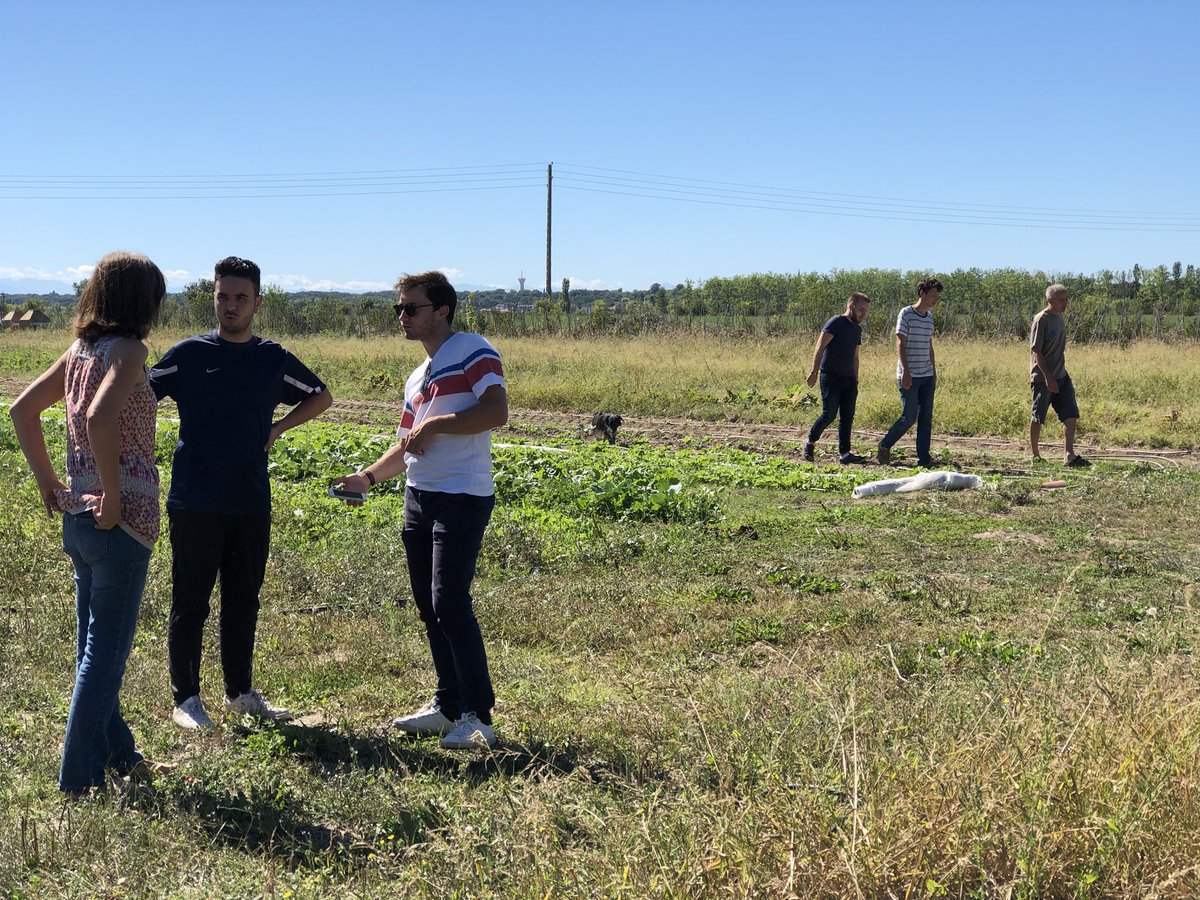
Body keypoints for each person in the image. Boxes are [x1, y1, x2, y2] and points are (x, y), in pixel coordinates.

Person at [9, 251, 171, 794]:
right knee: (104, 656)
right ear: (142, 302)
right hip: (120, 522)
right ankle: (78, 782)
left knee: (92, 648)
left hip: (79, 518)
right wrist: (116, 494)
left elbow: (21, 411)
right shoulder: (128, 350)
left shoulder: (80, 351)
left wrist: (48, 483)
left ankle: (121, 755)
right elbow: (102, 416)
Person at [150, 256, 332, 730]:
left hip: (250, 500)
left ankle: (239, 692)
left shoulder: (271, 359)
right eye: (223, 296)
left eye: (241, 298)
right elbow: (141, 395)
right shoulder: (188, 354)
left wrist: (278, 428)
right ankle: (186, 700)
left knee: (243, 600)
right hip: (194, 499)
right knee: (190, 601)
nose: (231, 306)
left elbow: (321, 395)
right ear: (212, 296)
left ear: (257, 302)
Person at [332, 270, 507, 750]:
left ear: (442, 310)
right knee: (430, 606)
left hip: (462, 494)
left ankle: (478, 715)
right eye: (399, 309)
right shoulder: (417, 376)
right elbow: (407, 444)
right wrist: (366, 477)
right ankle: (448, 705)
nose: (402, 317)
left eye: (411, 307)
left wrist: (437, 426)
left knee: (450, 600)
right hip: (419, 494)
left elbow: (496, 410)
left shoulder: (473, 349)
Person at [878, 277, 941, 467]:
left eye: (937, 296)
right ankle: (885, 445)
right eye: (932, 295)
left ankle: (924, 458)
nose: (935, 299)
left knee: (926, 418)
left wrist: (934, 370)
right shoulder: (906, 314)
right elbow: (900, 342)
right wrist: (905, 370)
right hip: (909, 375)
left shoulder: (929, 318)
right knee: (909, 416)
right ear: (922, 293)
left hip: (927, 375)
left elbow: (929, 345)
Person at [803, 292, 870, 464]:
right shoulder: (836, 322)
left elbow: (855, 356)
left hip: (848, 380)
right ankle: (810, 442)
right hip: (830, 376)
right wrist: (814, 372)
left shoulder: (857, 329)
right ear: (851, 306)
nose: (864, 314)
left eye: (866, 311)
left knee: (847, 417)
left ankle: (845, 453)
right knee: (829, 414)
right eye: (861, 309)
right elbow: (820, 347)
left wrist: (855, 379)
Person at [1030, 283, 1089, 466]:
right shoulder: (1042, 320)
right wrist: (1048, 378)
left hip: (1061, 375)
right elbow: (1036, 351)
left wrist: (1058, 375)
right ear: (1050, 300)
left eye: (1066, 299)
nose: (1065, 304)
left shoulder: (1059, 318)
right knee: (1038, 416)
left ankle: (1069, 455)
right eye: (1061, 300)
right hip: (1042, 378)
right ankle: (1035, 456)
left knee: (1070, 414)